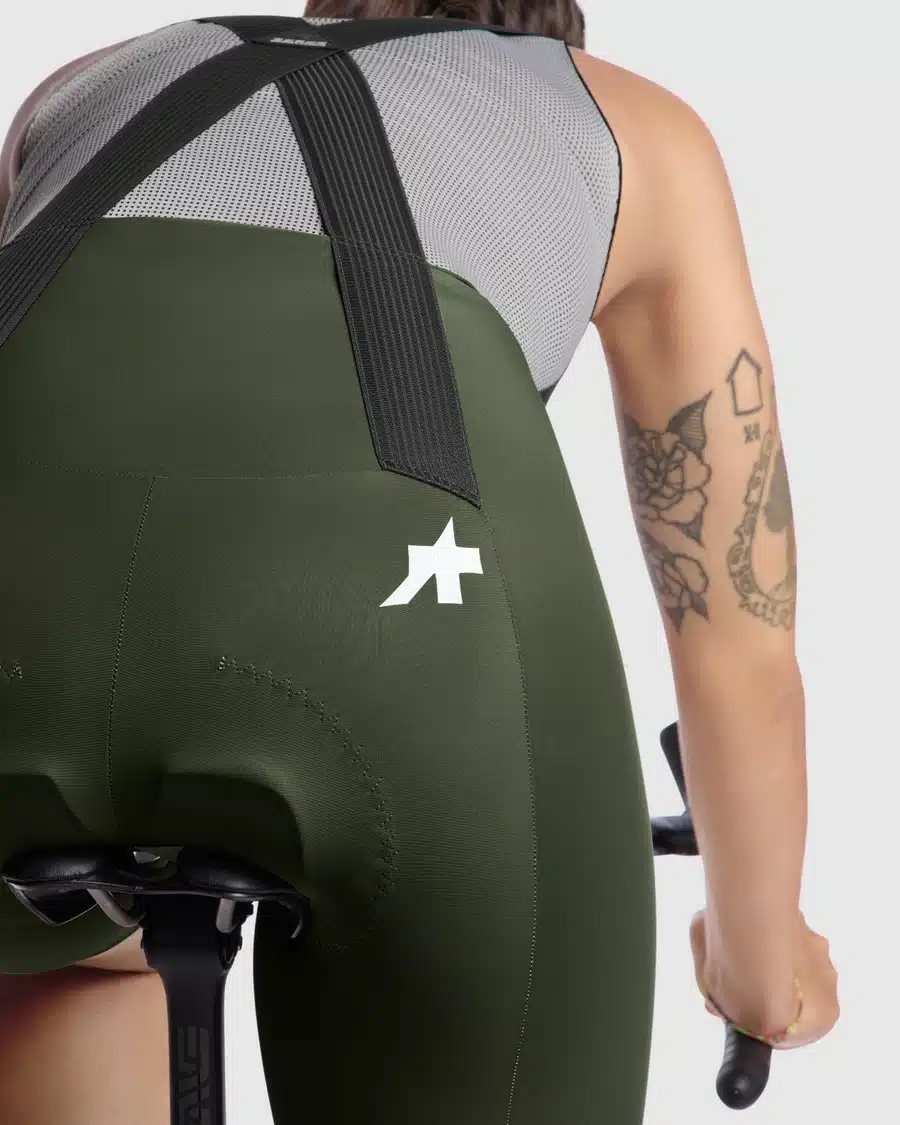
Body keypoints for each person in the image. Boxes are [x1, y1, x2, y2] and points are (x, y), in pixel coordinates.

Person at [0, 2, 839, 1123]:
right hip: (400, 659)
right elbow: (735, 631)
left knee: (75, 951)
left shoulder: (82, 85)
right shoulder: (632, 125)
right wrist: (757, 959)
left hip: (23, 638)